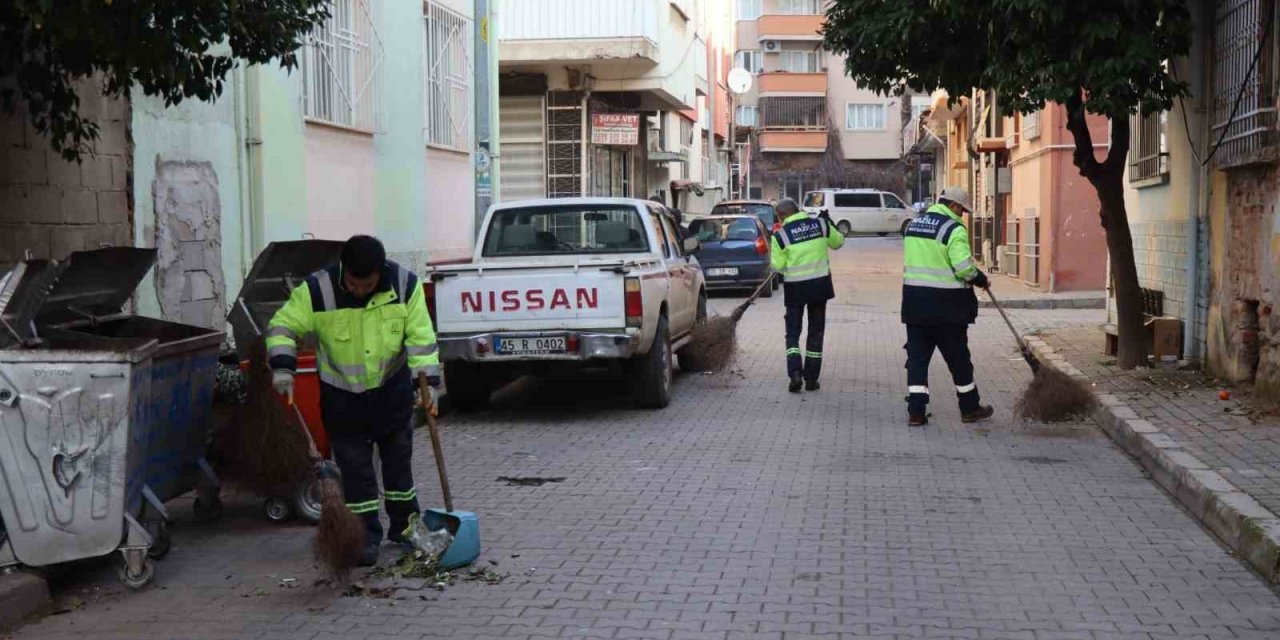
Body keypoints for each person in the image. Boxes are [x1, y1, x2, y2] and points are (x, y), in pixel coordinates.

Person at [266, 235, 441, 566]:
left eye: (368, 284)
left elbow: (421, 338)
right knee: (357, 472)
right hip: (342, 398)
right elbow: (282, 328)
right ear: (344, 270)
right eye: (354, 284)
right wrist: (283, 368)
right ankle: (364, 536)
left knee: (398, 467)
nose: (360, 290)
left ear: (381, 273)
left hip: (391, 392)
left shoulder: (405, 285)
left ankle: (405, 528)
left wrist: (429, 383)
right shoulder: (318, 290)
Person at [901, 187, 994, 426]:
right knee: (959, 360)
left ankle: (916, 411)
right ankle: (969, 408)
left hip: (915, 305)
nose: (962, 215)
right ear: (953, 206)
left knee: (917, 360)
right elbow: (964, 267)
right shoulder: (953, 229)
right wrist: (981, 279)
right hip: (947, 308)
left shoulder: (914, 225)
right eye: (962, 210)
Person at [769, 197, 845, 393]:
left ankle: (795, 374)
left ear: (782, 215)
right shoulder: (820, 224)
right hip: (820, 287)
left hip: (795, 290)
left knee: (793, 333)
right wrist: (830, 223)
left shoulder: (780, 236)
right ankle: (811, 379)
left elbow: (777, 266)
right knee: (815, 333)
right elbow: (838, 243)